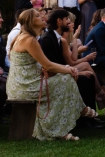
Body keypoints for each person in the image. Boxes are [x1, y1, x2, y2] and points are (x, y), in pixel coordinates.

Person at [7, 8, 89, 140]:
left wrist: (66, 68)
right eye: (38, 16)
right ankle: (58, 128)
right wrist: (69, 69)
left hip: (20, 84)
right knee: (66, 80)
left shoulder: (24, 37)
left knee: (64, 79)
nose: (43, 18)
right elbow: (48, 65)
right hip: (25, 86)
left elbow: (35, 64)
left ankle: (70, 118)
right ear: (31, 21)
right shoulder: (29, 40)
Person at [40, 8, 101, 121]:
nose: (69, 21)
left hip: (60, 72)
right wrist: (76, 71)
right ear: (59, 21)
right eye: (66, 19)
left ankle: (89, 117)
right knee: (85, 79)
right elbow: (51, 66)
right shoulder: (48, 39)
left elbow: (67, 62)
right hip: (50, 77)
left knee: (88, 76)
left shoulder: (58, 38)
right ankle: (86, 118)